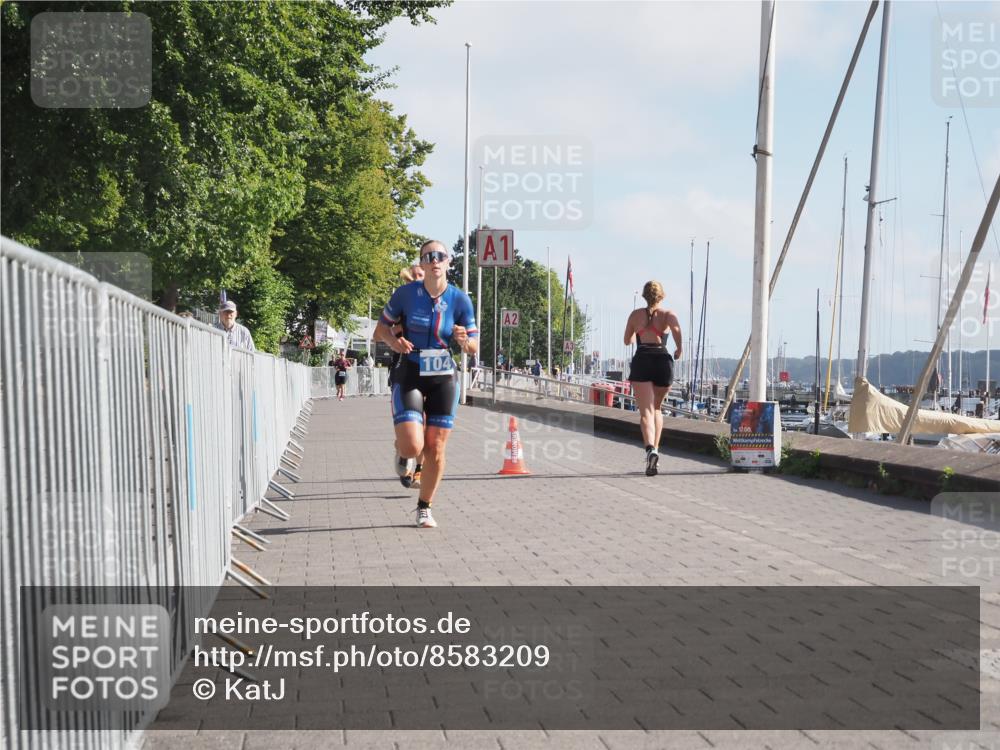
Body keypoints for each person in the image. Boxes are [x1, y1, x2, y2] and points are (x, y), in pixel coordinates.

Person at [374, 240, 479, 528]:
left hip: (443, 374)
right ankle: (403, 448)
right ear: (421, 264)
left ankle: (424, 506)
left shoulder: (460, 300)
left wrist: (463, 341)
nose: (435, 260)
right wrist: (395, 342)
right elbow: (380, 330)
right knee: (412, 445)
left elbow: (474, 345)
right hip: (410, 369)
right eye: (428, 256)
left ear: (448, 263)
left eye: (440, 256)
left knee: (435, 447)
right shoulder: (405, 294)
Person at [623, 280, 682, 476]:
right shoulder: (668, 315)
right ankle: (655, 451)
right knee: (657, 409)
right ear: (661, 296)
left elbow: (627, 340)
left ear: (644, 296)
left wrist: (635, 336)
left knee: (645, 412)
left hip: (643, 360)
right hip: (663, 362)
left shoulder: (635, 315)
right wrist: (679, 348)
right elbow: (676, 330)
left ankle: (650, 449)